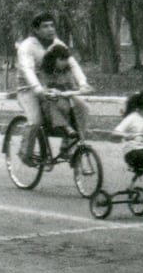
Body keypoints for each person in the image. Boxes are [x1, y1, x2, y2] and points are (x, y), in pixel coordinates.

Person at [15, 13, 90, 165]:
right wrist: (37, 89)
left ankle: (68, 148)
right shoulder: (27, 46)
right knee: (35, 121)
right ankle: (25, 153)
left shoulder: (58, 44)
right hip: (28, 88)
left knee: (82, 108)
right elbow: (27, 69)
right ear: (36, 30)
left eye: (52, 25)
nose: (50, 29)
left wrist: (83, 83)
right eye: (45, 26)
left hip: (53, 87)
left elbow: (72, 63)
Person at [38, 43, 91, 157]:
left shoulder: (66, 72)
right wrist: (51, 91)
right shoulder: (45, 71)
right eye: (61, 59)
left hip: (65, 97)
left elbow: (73, 87)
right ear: (53, 59)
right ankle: (66, 128)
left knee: (83, 106)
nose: (64, 62)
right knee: (61, 105)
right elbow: (42, 88)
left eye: (66, 59)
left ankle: (80, 138)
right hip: (48, 100)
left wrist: (81, 89)